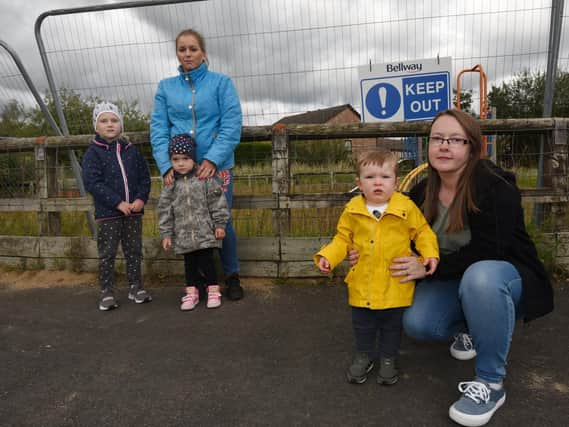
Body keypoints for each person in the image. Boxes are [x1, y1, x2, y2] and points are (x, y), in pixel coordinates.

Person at [349, 109, 554, 426]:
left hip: (502, 277)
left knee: (481, 277)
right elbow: (400, 240)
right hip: (452, 277)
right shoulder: (419, 194)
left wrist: (427, 267)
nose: (444, 146)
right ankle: (473, 328)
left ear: (472, 147)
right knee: (417, 322)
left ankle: (490, 383)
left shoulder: (496, 186)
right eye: (437, 139)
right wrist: (364, 252)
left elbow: (491, 250)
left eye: (455, 140)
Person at [314, 150, 439, 386]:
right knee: (363, 324)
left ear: (396, 182)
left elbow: (422, 232)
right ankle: (364, 355)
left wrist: (429, 254)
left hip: (395, 283)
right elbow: (342, 239)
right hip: (364, 284)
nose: (378, 182)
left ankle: (389, 359)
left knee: (392, 326)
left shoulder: (406, 207)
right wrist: (328, 256)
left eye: (385, 176)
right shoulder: (352, 210)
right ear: (359, 183)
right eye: (370, 177)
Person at [150, 28, 244, 301]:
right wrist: (166, 165)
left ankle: (232, 275)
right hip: (179, 169)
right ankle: (200, 282)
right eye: (182, 49)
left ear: (203, 52)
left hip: (218, 167)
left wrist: (213, 158)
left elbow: (231, 123)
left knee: (220, 219)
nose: (187, 54)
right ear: (177, 53)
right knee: (186, 221)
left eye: (193, 49)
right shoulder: (165, 88)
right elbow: (158, 128)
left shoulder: (221, 83)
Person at [82, 101, 153, 311]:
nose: (110, 124)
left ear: (121, 125)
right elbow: (92, 183)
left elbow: (144, 178)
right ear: (96, 126)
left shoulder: (132, 151)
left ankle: (135, 287)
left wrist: (140, 199)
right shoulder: (93, 153)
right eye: (104, 121)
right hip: (108, 213)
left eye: (114, 120)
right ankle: (106, 291)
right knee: (108, 253)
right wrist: (117, 203)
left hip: (134, 212)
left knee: (133, 250)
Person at [158, 133, 230, 311]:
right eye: (175, 159)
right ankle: (192, 293)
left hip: (205, 233)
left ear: (193, 158)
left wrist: (220, 225)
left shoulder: (204, 179)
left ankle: (213, 291)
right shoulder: (170, 184)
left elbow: (217, 202)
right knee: (189, 266)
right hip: (183, 236)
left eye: (185, 158)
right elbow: (165, 210)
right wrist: (166, 234)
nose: (180, 163)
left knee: (208, 263)